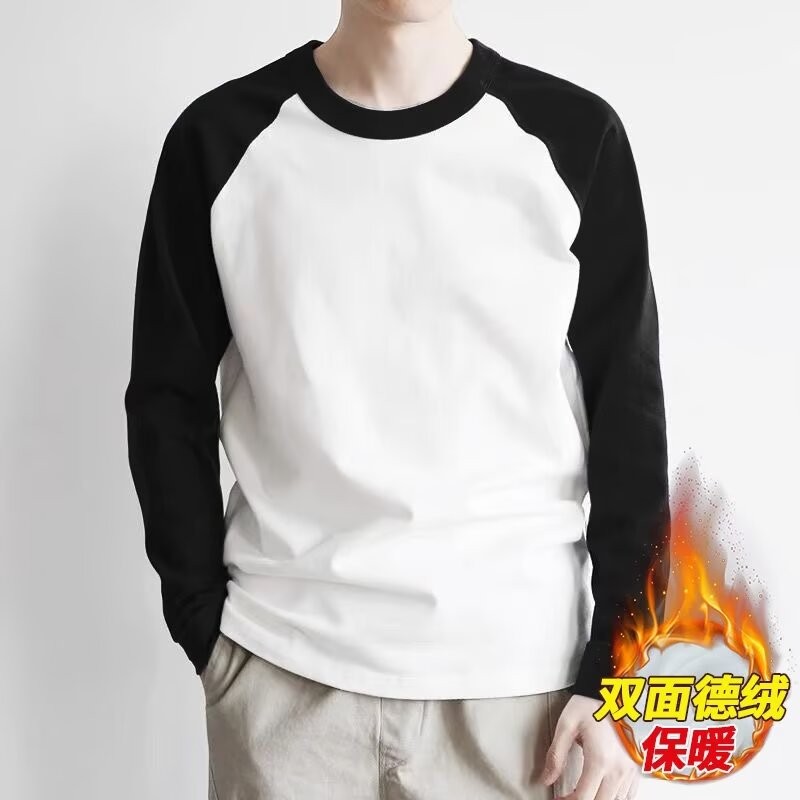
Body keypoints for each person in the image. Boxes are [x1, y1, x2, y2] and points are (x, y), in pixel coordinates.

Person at [123, 1, 671, 798]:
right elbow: (166, 401)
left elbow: (630, 414)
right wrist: (205, 628)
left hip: (520, 695)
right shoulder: (222, 141)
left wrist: (617, 672)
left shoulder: (573, 137)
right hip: (283, 676)